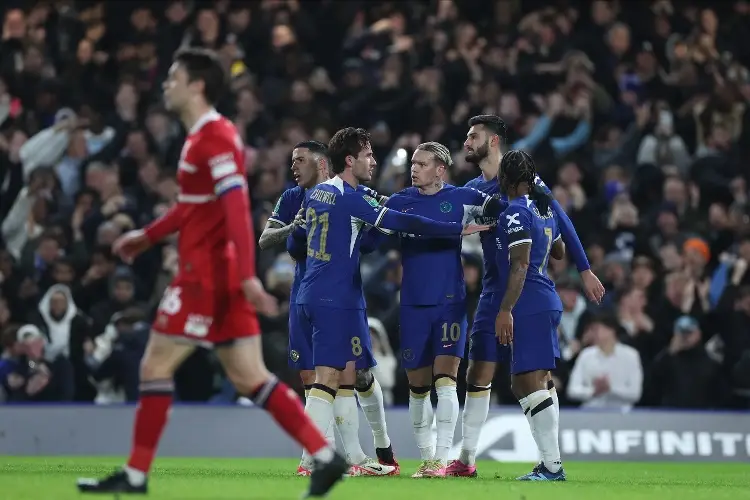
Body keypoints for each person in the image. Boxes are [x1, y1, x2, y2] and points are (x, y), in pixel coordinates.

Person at [76, 48, 348, 499]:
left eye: (172, 77)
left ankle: (137, 475)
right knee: (249, 377)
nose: (166, 85)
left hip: (206, 277)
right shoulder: (201, 137)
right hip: (218, 274)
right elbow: (191, 206)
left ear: (196, 85)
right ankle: (324, 457)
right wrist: (146, 235)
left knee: (154, 365)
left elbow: (237, 208)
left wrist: (246, 276)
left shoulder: (215, 137)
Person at [292, 127, 490, 480]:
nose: (374, 161)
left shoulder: (317, 194)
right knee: (328, 379)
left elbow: (324, 241)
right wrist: (455, 230)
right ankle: (316, 458)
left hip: (311, 293)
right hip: (334, 296)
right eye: (368, 155)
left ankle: (352, 455)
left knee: (344, 376)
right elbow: (402, 221)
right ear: (350, 160)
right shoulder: (353, 198)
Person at [448, 116, 604, 478]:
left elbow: (561, 221)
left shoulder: (527, 188)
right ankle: (467, 459)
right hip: (493, 291)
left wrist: (585, 268)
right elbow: (555, 240)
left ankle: (552, 463)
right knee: (479, 372)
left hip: (523, 293)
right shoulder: (474, 189)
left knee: (531, 379)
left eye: (474, 136)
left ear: (495, 141)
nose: (468, 141)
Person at [259, 140, 399, 476]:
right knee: (317, 376)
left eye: (300, 160)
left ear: (323, 165)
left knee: (356, 374)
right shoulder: (294, 198)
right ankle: (332, 456)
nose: (293, 167)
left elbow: (369, 242)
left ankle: (372, 449)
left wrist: (371, 221)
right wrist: (298, 226)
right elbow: (273, 241)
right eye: (292, 160)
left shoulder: (349, 196)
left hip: (345, 298)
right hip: (308, 296)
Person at [373, 141, 506, 477]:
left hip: (450, 302)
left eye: (422, 164)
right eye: (413, 164)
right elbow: (373, 237)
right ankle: (428, 457)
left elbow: (502, 209)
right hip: (413, 304)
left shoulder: (462, 198)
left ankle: (442, 460)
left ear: (440, 169)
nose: (414, 169)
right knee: (418, 386)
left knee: (446, 379)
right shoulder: (401, 202)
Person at [493, 150, 566, 481]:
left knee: (528, 381)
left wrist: (505, 309)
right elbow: (560, 252)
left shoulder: (516, 212)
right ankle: (549, 462)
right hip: (547, 295)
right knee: (534, 381)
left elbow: (520, 265)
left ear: (504, 179)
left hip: (530, 300)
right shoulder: (543, 208)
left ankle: (552, 466)